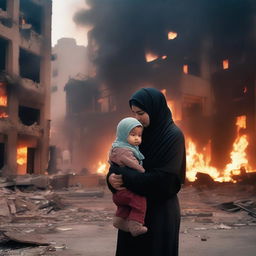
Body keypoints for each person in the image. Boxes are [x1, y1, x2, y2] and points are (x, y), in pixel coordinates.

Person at [107, 88, 186, 256]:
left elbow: (165, 181)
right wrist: (111, 179)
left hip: (160, 213)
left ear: (154, 109)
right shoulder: (136, 133)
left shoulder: (173, 136)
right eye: (134, 113)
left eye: (141, 113)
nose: (137, 118)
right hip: (132, 212)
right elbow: (117, 161)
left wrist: (125, 178)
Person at [109, 117, 147, 237]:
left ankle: (119, 220)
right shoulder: (125, 151)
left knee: (125, 207)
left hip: (119, 194)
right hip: (125, 191)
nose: (137, 138)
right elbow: (133, 165)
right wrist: (143, 171)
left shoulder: (117, 147)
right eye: (133, 135)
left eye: (139, 135)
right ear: (123, 134)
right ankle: (135, 225)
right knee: (140, 203)